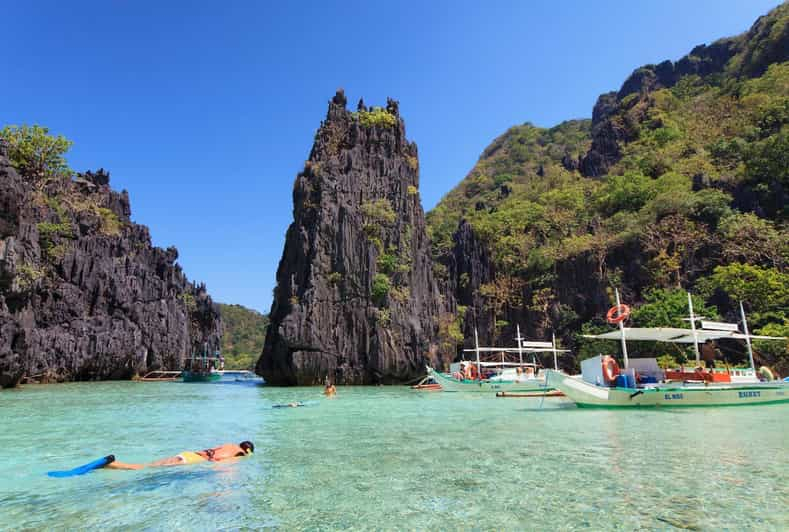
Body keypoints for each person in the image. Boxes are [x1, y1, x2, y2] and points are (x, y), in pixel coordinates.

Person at [106, 441, 254, 470]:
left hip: (190, 453)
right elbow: (222, 462)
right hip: (195, 459)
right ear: (247, 450)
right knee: (146, 467)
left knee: (153, 464)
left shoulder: (229, 444)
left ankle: (114, 465)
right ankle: (115, 465)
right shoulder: (239, 452)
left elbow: (214, 451)